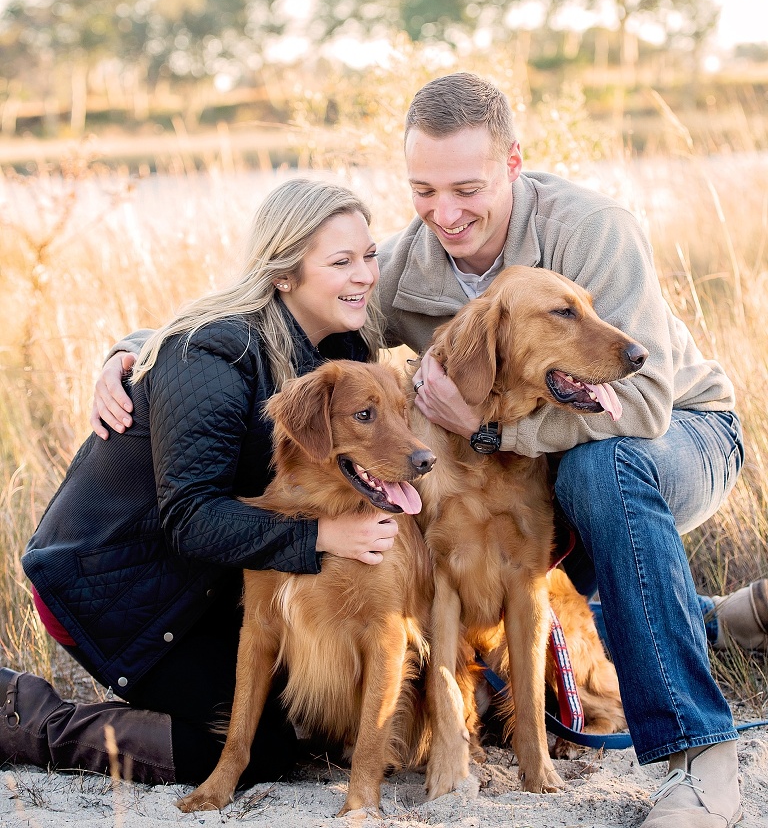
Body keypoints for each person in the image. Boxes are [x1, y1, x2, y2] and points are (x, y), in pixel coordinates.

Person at [91, 74, 754, 826]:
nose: (446, 213)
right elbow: (290, 313)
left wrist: (490, 433)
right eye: (423, 190)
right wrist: (145, 349)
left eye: (467, 187)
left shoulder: (592, 230)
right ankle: (711, 619)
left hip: (677, 433)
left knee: (598, 474)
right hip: (537, 460)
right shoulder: (408, 263)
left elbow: (644, 402)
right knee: (464, 522)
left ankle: (699, 755)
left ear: (513, 163)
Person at [2, 178, 396, 787]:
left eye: (369, 255)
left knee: (319, 702)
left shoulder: (336, 345)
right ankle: (26, 717)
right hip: (118, 588)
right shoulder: (214, 354)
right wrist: (321, 535)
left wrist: (132, 346)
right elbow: (190, 518)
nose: (365, 275)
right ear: (283, 274)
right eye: (340, 262)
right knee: (258, 751)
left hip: (205, 582)